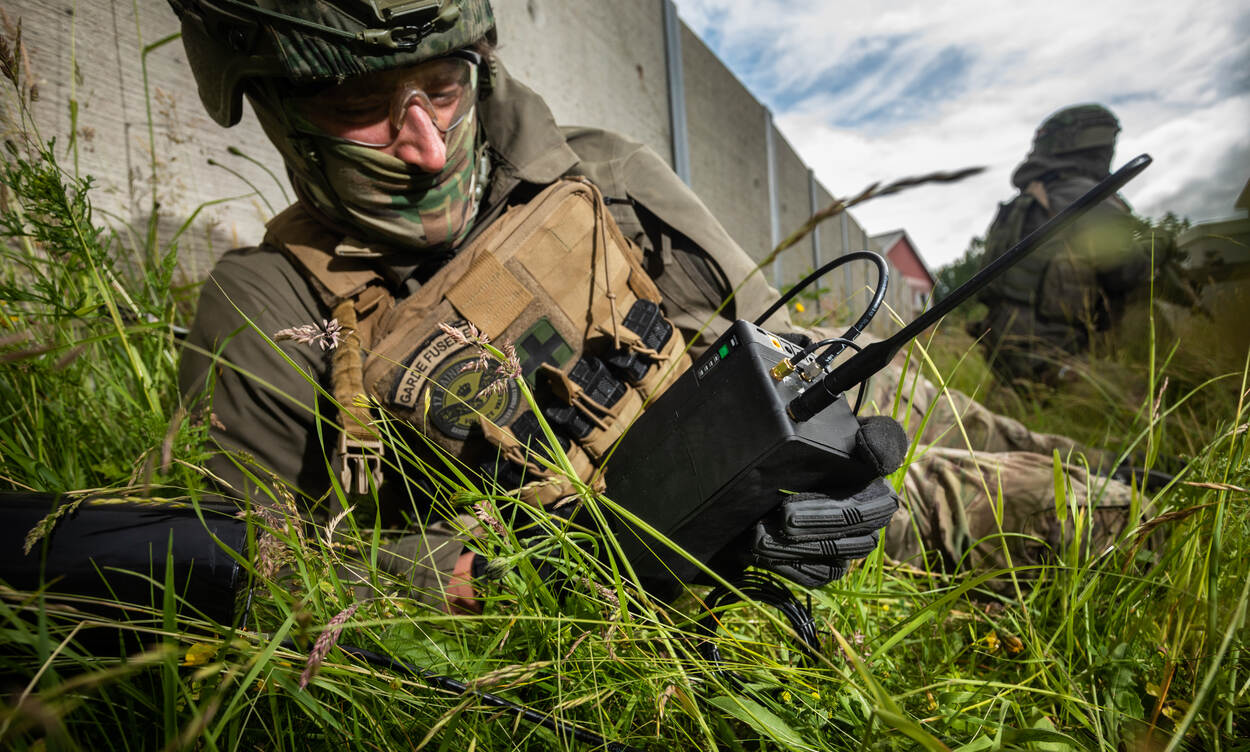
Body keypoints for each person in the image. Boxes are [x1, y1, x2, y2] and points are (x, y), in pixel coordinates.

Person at [169, 0, 1138, 607]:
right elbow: (239, 571)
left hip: (772, 449)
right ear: (276, 106)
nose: (423, 146)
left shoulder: (602, 176)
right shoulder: (268, 306)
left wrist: (805, 433)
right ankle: (1153, 512)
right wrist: (519, 571)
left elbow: (776, 343)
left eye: (441, 90)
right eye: (361, 109)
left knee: (937, 407)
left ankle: (1143, 469)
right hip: (675, 562)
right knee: (1065, 509)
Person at [971, 104, 1151, 387]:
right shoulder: (1083, 197)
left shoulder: (1025, 202)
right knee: (1153, 396)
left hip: (1005, 353)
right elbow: (1129, 273)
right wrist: (1158, 248)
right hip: (1055, 357)